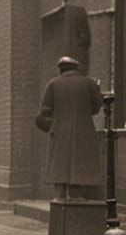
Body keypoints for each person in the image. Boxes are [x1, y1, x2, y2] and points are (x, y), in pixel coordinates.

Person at [35, 56, 103, 198]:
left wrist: (51, 125)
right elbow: (96, 108)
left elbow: (44, 112)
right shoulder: (89, 83)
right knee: (79, 167)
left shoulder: (52, 84)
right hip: (84, 132)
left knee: (60, 168)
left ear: (61, 69)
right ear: (76, 68)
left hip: (60, 132)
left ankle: (60, 201)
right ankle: (76, 199)